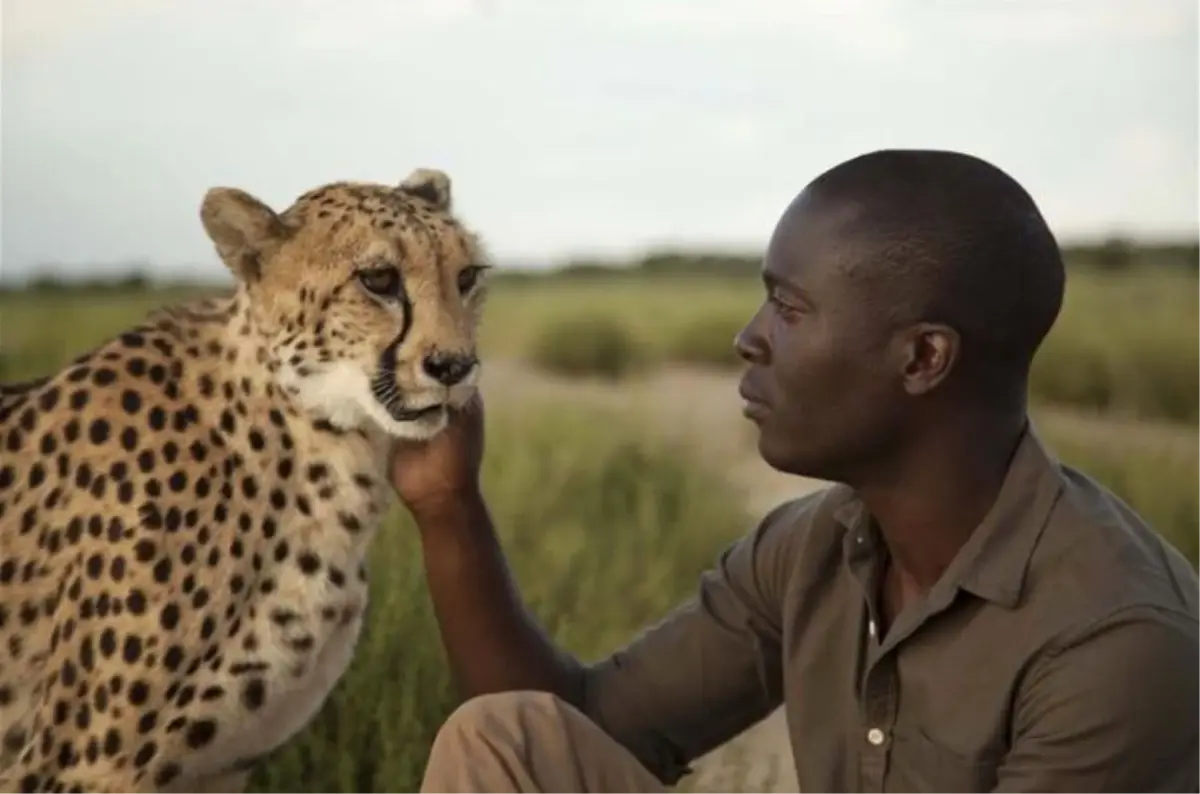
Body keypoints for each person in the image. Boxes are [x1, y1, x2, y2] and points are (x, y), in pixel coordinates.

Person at [390, 149, 1200, 794]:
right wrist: (447, 505)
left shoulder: (1116, 643)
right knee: (504, 742)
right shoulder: (815, 550)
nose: (749, 339)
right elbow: (579, 732)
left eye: (788, 307)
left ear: (922, 357)